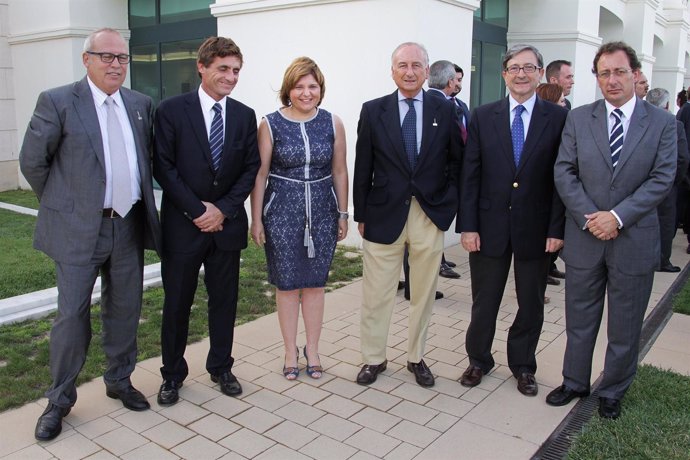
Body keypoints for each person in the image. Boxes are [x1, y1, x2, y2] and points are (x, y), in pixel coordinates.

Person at [19, 27, 162, 441]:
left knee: (124, 308)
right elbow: (33, 162)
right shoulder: (59, 101)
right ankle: (59, 400)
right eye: (107, 57)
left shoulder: (140, 104)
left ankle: (119, 379)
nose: (116, 64)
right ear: (87, 60)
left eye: (122, 58)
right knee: (72, 315)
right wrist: (68, 204)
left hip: (129, 224)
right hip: (79, 229)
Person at [548, 42, 677, 419]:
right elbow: (564, 171)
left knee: (625, 322)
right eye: (604, 73)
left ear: (635, 74)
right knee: (579, 317)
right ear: (597, 78)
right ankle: (574, 381)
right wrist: (593, 216)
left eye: (619, 72)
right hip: (586, 237)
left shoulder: (662, 123)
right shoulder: (578, 118)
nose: (612, 80)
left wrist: (616, 217)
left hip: (633, 239)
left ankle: (613, 389)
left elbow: (662, 178)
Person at [153, 37, 260, 406]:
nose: (231, 77)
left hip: (226, 227)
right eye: (223, 69)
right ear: (202, 66)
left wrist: (224, 210)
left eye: (235, 71)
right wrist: (198, 211)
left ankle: (221, 366)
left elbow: (250, 168)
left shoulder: (245, 115)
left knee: (224, 301)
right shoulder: (171, 110)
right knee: (177, 303)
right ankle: (171, 375)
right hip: (184, 227)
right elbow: (163, 167)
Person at [458, 44, 567, 397]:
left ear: (540, 74)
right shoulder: (482, 115)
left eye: (529, 67)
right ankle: (479, 360)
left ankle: (522, 365)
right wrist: (468, 225)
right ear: (504, 74)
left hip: (536, 229)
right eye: (514, 68)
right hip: (488, 227)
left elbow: (560, 178)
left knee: (531, 302)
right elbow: (470, 174)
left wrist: (556, 229)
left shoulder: (558, 118)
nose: (521, 74)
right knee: (484, 300)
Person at [354, 42, 462, 387]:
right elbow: (363, 166)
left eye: (417, 65)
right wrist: (361, 211)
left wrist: (448, 205)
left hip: (428, 213)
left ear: (427, 71)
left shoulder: (443, 110)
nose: (410, 71)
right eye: (402, 65)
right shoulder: (373, 111)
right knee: (376, 292)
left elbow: (456, 162)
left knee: (423, 291)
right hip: (383, 214)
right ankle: (373, 358)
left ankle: (416, 357)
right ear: (392, 71)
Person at [250, 57, 348, 380]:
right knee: (289, 285)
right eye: (299, 86)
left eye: (312, 86)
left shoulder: (333, 123)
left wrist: (343, 213)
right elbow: (260, 174)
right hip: (282, 212)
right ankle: (290, 350)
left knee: (316, 284)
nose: (306, 93)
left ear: (321, 89)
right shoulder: (270, 123)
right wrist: (257, 219)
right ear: (288, 90)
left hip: (321, 210)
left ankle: (314, 349)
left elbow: (339, 170)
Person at [646, 87, 689, 273]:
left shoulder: (638, 121)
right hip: (666, 183)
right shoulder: (673, 123)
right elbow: (682, 158)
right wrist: (674, 180)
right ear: (668, 105)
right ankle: (662, 260)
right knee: (665, 222)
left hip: (642, 183)